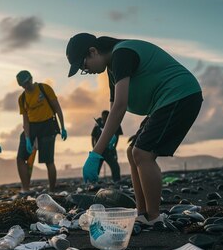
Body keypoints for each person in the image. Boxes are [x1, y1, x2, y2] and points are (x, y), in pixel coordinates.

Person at [66, 33, 203, 228]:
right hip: (163, 102)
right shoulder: (112, 68)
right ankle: (142, 213)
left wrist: (96, 153)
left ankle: (154, 217)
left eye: (83, 65)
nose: (85, 70)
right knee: (132, 152)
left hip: (180, 94)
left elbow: (120, 106)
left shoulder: (122, 54)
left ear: (93, 51)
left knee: (143, 154)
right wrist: (110, 136)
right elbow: (113, 106)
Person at [15, 70, 67, 193]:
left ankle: (52, 190)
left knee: (48, 160)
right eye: (23, 84)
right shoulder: (22, 98)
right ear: (21, 85)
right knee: (20, 158)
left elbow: (57, 108)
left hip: (48, 125)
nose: (26, 86)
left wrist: (63, 127)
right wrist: (27, 138)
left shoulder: (44, 88)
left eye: (28, 82)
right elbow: (25, 120)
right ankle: (25, 188)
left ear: (31, 79)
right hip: (32, 127)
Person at [91, 110, 122, 182]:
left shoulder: (115, 123)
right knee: (96, 167)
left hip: (110, 150)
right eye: (103, 118)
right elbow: (93, 137)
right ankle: (93, 181)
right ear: (101, 117)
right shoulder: (98, 125)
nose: (105, 120)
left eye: (106, 118)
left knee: (115, 166)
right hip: (99, 150)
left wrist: (114, 147)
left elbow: (117, 136)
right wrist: (94, 148)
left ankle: (117, 180)